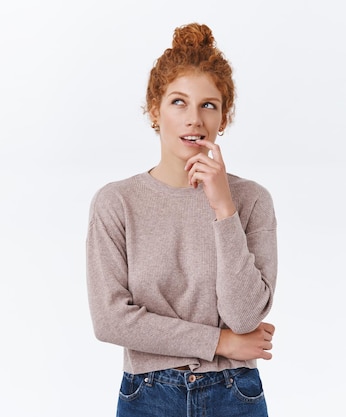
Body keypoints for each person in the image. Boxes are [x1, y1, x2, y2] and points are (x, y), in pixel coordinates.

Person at [86, 22, 277, 417]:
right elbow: (110, 320)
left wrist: (224, 208)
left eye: (208, 105)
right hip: (148, 394)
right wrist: (220, 343)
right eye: (178, 102)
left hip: (234, 393)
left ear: (223, 118)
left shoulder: (252, 200)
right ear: (155, 109)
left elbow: (244, 316)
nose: (194, 119)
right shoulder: (116, 202)